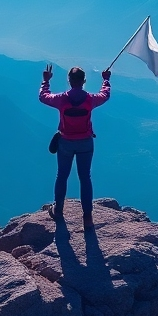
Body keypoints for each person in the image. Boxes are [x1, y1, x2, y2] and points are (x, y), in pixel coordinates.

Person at [39, 63, 111, 230]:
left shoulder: (61, 99)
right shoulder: (90, 99)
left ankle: (58, 210)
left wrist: (46, 81)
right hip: (85, 142)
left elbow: (43, 96)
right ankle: (87, 217)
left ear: (69, 81)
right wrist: (106, 80)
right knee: (85, 178)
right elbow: (105, 95)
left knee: (62, 176)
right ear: (84, 81)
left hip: (65, 142)